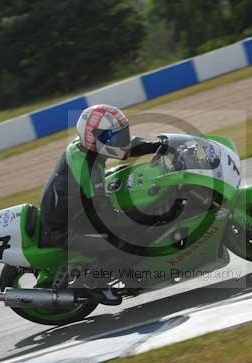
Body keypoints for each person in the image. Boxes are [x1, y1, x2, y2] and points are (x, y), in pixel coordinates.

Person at [39, 104, 164, 292]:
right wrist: (141, 218)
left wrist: (157, 145)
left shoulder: (85, 147)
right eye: (115, 137)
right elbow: (105, 216)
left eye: (121, 134)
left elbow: (128, 147)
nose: (120, 141)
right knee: (125, 240)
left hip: (75, 211)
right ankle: (92, 282)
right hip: (65, 230)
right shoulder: (87, 169)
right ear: (95, 137)